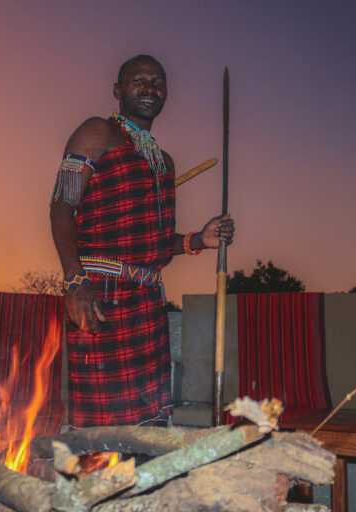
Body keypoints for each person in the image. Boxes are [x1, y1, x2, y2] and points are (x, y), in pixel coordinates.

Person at [50, 54, 234, 428]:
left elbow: (159, 242)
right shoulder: (97, 132)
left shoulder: (164, 161)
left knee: (148, 427)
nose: (149, 88)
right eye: (139, 80)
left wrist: (201, 238)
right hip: (100, 293)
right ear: (118, 90)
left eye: (158, 82)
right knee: (100, 432)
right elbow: (62, 206)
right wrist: (75, 281)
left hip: (149, 302)